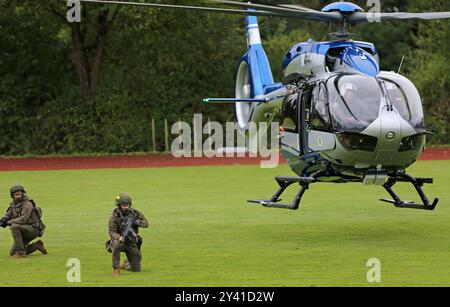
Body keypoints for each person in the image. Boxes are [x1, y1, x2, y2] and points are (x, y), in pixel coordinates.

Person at [107, 193, 149, 276]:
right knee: (115, 243)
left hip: (131, 242)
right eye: (124, 205)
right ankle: (116, 268)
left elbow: (146, 224)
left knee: (136, 269)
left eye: (127, 205)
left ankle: (127, 263)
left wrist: (136, 222)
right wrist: (118, 237)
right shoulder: (114, 216)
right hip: (120, 241)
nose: (126, 207)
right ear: (119, 205)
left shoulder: (135, 213)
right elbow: (112, 231)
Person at [0, 184, 47, 258]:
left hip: (33, 229)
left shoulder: (27, 204)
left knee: (14, 227)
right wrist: (3, 219)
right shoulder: (13, 204)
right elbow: (8, 214)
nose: (18, 196)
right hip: (23, 229)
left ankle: (21, 253)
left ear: (23, 193)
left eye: (19, 194)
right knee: (12, 253)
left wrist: (8, 223)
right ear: (12, 196)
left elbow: (23, 219)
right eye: (16, 194)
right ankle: (36, 246)